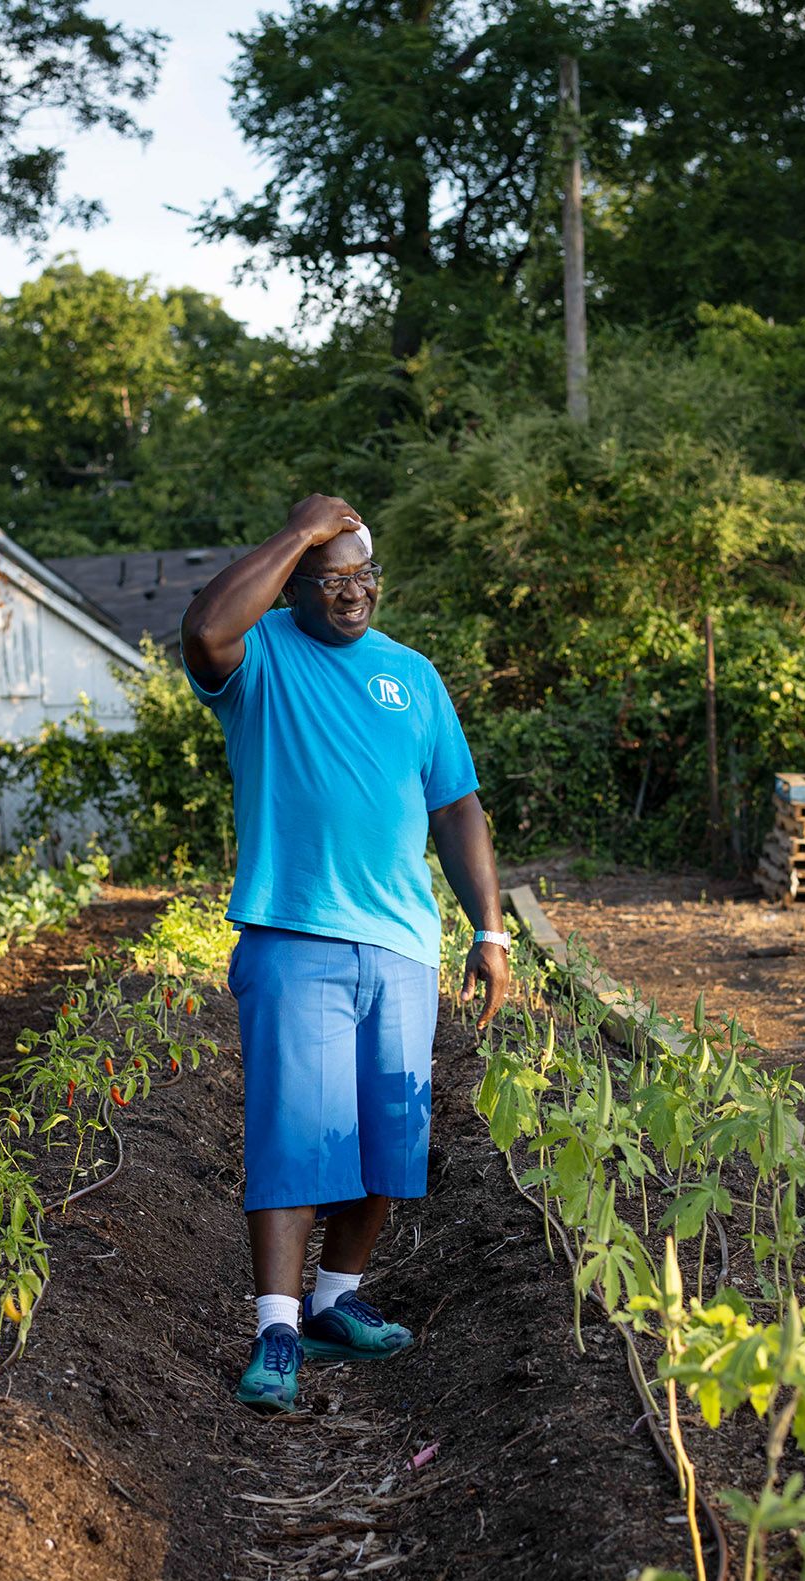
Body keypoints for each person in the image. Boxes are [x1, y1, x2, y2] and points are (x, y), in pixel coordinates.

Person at [181, 492, 510, 1413]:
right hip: (295, 933)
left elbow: (455, 806)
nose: (352, 593)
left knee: (387, 1134)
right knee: (295, 1131)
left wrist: (487, 927)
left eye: (364, 576)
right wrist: (296, 532)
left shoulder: (415, 675)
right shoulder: (261, 662)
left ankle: (335, 1302)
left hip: (403, 942)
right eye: (330, 578)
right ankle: (276, 1329)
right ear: (295, 585)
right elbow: (204, 629)